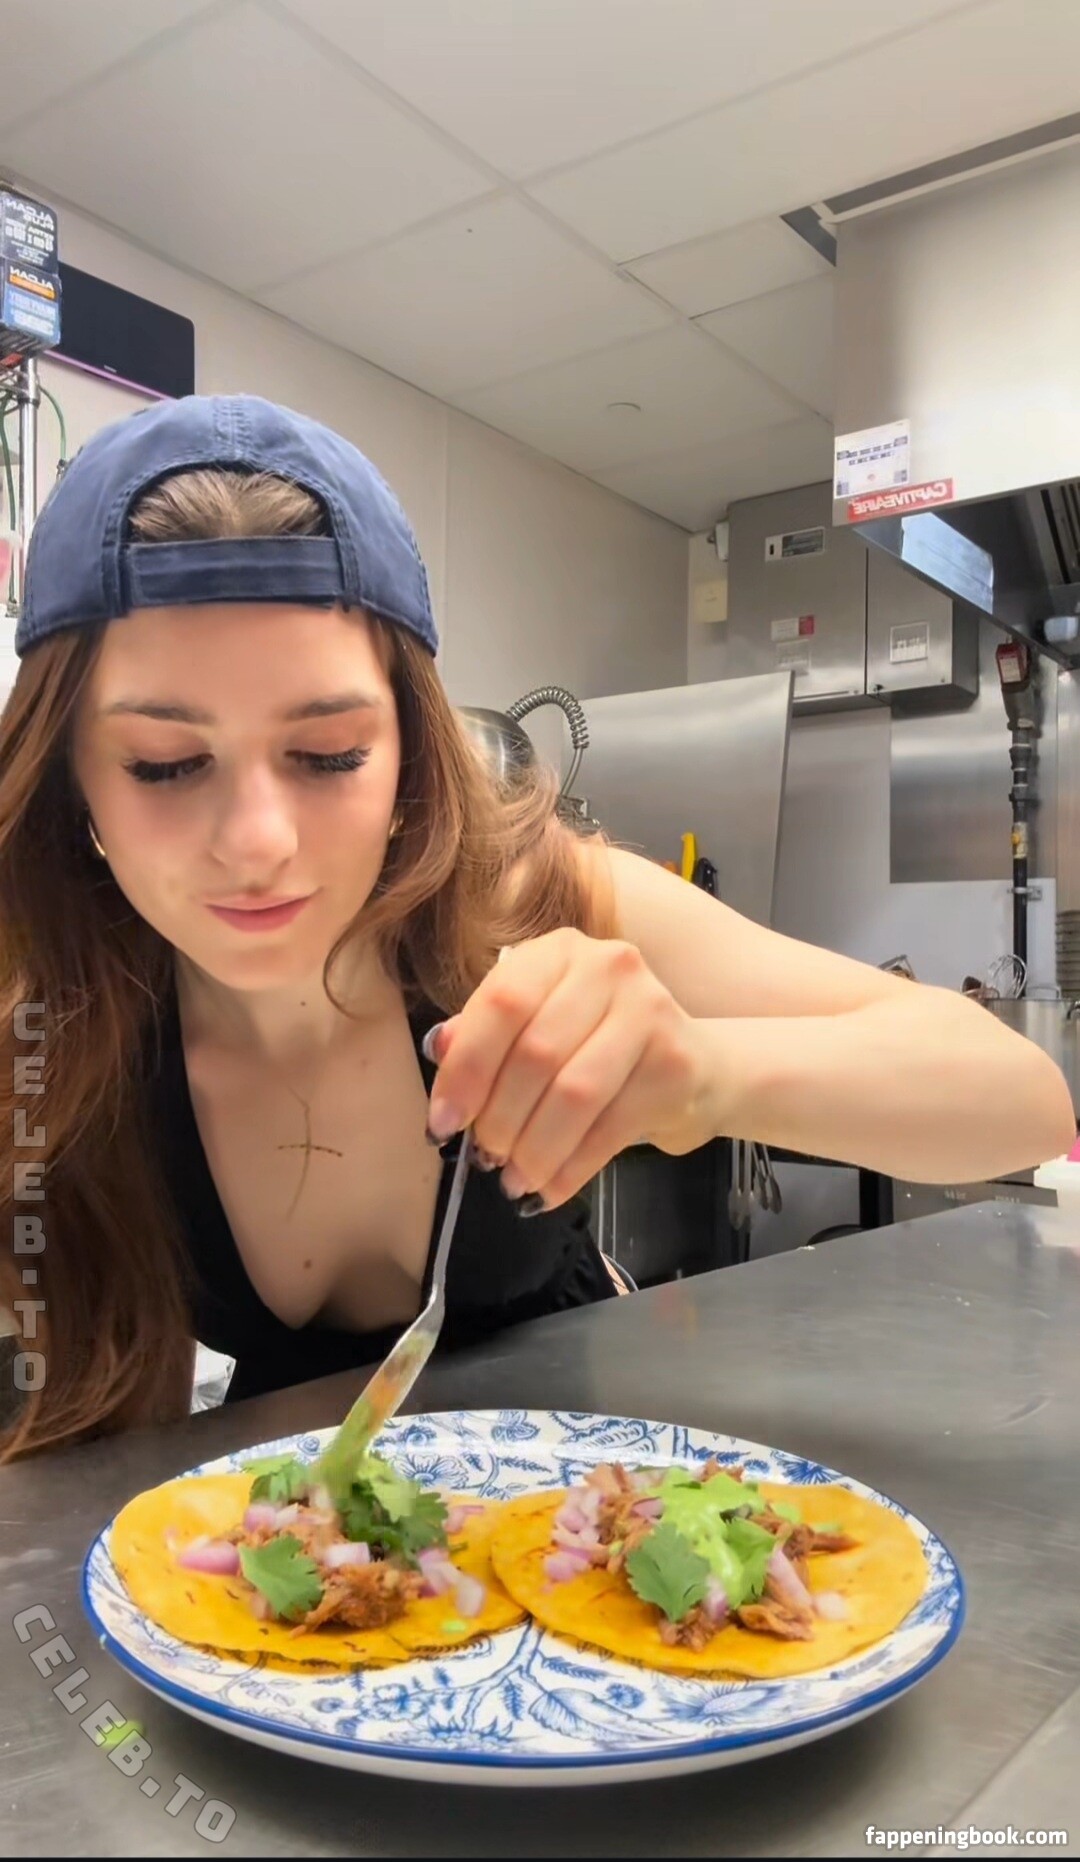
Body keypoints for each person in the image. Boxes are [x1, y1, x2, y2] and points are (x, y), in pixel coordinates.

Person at [0, 394, 1071, 1461]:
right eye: (166, 765)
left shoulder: (518, 901)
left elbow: (1021, 1101)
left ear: (408, 748)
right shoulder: (47, 1025)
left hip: (577, 1501)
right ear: (70, 776)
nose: (257, 842)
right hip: (281, 1532)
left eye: (329, 754)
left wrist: (704, 1074)